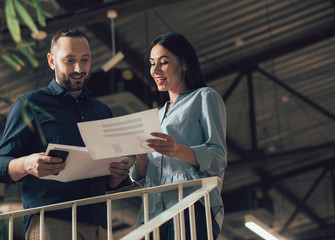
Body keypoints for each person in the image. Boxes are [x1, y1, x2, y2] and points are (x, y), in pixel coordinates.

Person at [0, 27, 132, 240]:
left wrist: (116, 175)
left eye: (85, 60)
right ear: (52, 61)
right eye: (69, 60)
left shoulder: (102, 111)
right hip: (51, 222)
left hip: (99, 224)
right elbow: (1, 163)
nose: (79, 68)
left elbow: (107, 181)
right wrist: (27, 164)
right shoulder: (29, 104)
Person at [132, 32, 227, 239]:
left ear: (184, 64)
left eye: (164, 62)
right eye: (151, 63)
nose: (155, 70)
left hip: (190, 204)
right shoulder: (156, 115)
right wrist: (140, 158)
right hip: (153, 211)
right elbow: (149, 175)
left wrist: (178, 150)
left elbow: (218, 156)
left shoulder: (205, 97)